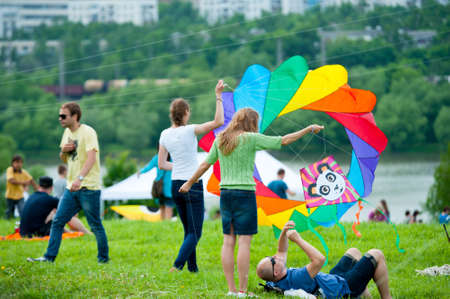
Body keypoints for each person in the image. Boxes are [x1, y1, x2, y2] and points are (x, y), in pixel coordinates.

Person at [179, 108, 323, 296]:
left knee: (228, 242)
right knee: (244, 243)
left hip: (226, 194)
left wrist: (189, 183)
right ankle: (242, 291)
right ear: (251, 122)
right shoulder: (250, 138)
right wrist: (308, 129)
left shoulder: (221, 138)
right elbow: (284, 140)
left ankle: (231, 291)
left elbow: (205, 164)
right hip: (245, 194)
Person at [28, 102, 109, 263]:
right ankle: (48, 257)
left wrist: (80, 179)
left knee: (95, 225)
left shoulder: (88, 132)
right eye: (59, 115)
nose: (60, 118)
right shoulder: (66, 133)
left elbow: (92, 158)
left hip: (88, 187)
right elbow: (64, 158)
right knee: (57, 221)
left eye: (63, 116)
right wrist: (63, 151)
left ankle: (103, 259)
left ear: (75, 116)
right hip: (71, 188)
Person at [158, 80, 225, 272]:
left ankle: (192, 269)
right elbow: (219, 122)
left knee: (189, 231)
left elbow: (162, 164)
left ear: (172, 115)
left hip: (175, 185)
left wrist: (178, 165)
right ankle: (177, 266)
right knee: (195, 233)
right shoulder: (190, 130)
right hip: (192, 184)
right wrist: (218, 95)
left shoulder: (164, 134)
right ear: (186, 112)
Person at [256, 221, 392, 299]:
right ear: (276, 272)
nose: (274, 257)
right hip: (344, 288)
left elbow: (281, 251)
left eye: (270, 257)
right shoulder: (298, 277)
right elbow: (319, 260)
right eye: (272, 260)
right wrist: (298, 239)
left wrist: (284, 232)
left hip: (333, 279)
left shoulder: (275, 279)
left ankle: (363, 295)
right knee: (376, 254)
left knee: (354, 252)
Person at [20, 176, 89, 237]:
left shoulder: (31, 197)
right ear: (52, 187)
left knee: (55, 213)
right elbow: (71, 211)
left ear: (39, 186)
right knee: (66, 213)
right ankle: (87, 233)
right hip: (37, 232)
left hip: (24, 232)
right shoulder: (50, 200)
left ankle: (71, 232)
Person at [138, 151, 174, 220]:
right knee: (169, 208)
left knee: (162, 208)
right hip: (169, 188)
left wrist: (140, 171)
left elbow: (148, 167)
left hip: (159, 188)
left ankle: (163, 225)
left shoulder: (157, 158)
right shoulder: (173, 158)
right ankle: (167, 225)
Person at [5, 155, 38, 219]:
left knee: (22, 211)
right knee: (10, 212)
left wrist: (37, 190)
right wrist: (24, 183)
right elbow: (11, 180)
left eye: (20, 162)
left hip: (20, 196)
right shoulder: (10, 170)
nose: (19, 164)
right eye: (17, 162)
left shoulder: (23, 172)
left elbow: (31, 180)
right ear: (13, 163)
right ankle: (8, 222)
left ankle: (22, 223)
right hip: (10, 195)